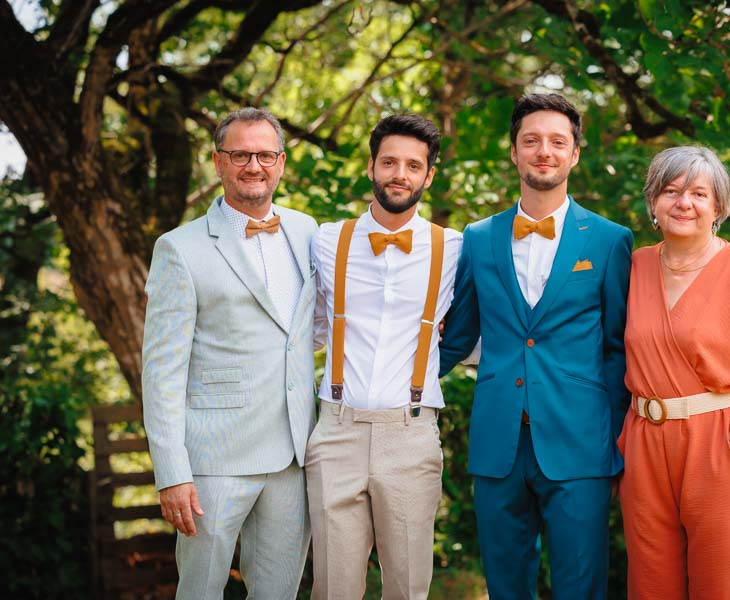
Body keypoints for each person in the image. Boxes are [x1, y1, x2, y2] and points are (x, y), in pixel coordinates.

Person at [439, 93, 633, 599]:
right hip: (498, 444)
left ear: (573, 154)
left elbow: (617, 349)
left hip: (581, 445)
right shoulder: (478, 238)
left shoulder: (610, 240)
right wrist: (392, 383)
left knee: (580, 588)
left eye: (556, 141)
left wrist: (612, 439)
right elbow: (457, 336)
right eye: (531, 140)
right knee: (506, 588)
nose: (543, 150)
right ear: (514, 153)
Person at [142, 107, 318, 599]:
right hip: (213, 460)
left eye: (264, 154)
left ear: (281, 162)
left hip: (293, 455)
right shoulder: (179, 248)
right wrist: (172, 473)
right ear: (218, 162)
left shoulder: (309, 233)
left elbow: (311, 331)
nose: (253, 165)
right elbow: (161, 372)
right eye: (240, 154)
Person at [618, 146, 730, 599]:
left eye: (699, 193)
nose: (684, 202)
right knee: (650, 584)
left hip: (719, 442)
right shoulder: (633, 264)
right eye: (671, 190)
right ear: (653, 204)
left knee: (721, 586)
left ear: (718, 207)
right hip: (645, 442)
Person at [307, 114, 460, 599]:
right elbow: (303, 328)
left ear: (428, 175)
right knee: (334, 587)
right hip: (336, 432)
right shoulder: (326, 240)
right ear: (371, 166)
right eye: (389, 161)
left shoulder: (454, 248)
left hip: (411, 433)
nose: (400, 173)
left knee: (408, 587)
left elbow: (474, 332)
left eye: (413, 165)